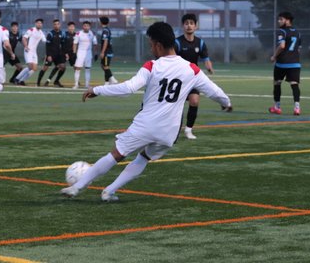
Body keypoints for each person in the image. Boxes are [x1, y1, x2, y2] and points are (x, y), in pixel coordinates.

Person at [61, 22, 232, 202]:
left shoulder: (152, 66)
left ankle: (77, 187)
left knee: (116, 154)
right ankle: (109, 191)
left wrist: (98, 90)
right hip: (169, 132)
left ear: (158, 45)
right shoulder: (192, 69)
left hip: (146, 125)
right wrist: (226, 102)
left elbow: (128, 88)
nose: (151, 49)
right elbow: (215, 92)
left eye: (151, 44)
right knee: (143, 158)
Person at [174, 13, 214, 140]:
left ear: (196, 26)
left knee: (195, 101)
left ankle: (188, 130)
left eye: (192, 23)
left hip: (192, 79)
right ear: (183, 26)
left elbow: (206, 58)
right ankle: (174, 129)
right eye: (186, 23)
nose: (189, 26)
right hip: (178, 79)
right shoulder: (177, 42)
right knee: (177, 106)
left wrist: (209, 67)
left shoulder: (200, 43)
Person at [269, 12, 302, 116]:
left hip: (282, 63)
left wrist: (274, 56)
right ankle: (297, 108)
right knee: (294, 84)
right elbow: (299, 49)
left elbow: (282, 46)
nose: (279, 21)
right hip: (295, 63)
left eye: (281, 19)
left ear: (287, 20)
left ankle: (277, 107)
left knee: (277, 83)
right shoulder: (298, 32)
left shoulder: (281, 31)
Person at [15, 18, 46, 86]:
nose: (39, 24)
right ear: (35, 24)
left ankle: (21, 80)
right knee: (30, 66)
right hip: (28, 50)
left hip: (34, 52)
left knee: (34, 69)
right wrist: (26, 46)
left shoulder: (41, 33)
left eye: (40, 23)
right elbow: (24, 38)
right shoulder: (31, 30)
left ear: (42, 25)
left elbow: (45, 41)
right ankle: (17, 79)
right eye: (38, 23)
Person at [37, 19, 66, 87]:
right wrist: (49, 55)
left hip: (58, 54)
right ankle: (38, 82)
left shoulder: (62, 33)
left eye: (57, 24)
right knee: (45, 68)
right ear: (53, 25)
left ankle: (55, 81)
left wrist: (64, 53)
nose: (56, 25)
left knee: (63, 67)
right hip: (51, 54)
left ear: (60, 25)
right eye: (55, 24)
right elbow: (47, 45)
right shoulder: (50, 34)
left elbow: (63, 44)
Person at [72, 21, 97, 89]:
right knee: (78, 69)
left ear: (90, 27)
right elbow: (75, 43)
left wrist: (95, 53)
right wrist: (74, 53)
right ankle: (76, 84)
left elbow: (95, 44)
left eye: (87, 26)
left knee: (87, 69)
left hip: (88, 53)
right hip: (80, 52)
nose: (86, 27)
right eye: (84, 26)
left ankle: (87, 84)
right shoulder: (78, 33)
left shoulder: (92, 33)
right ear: (83, 26)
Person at [99, 16, 118, 85]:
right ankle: (107, 82)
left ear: (101, 22)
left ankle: (112, 79)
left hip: (107, 52)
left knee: (105, 66)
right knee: (102, 65)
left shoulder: (105, 30)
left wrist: (102, 52)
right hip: (108, 51)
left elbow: (106, 41)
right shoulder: (107, 29)